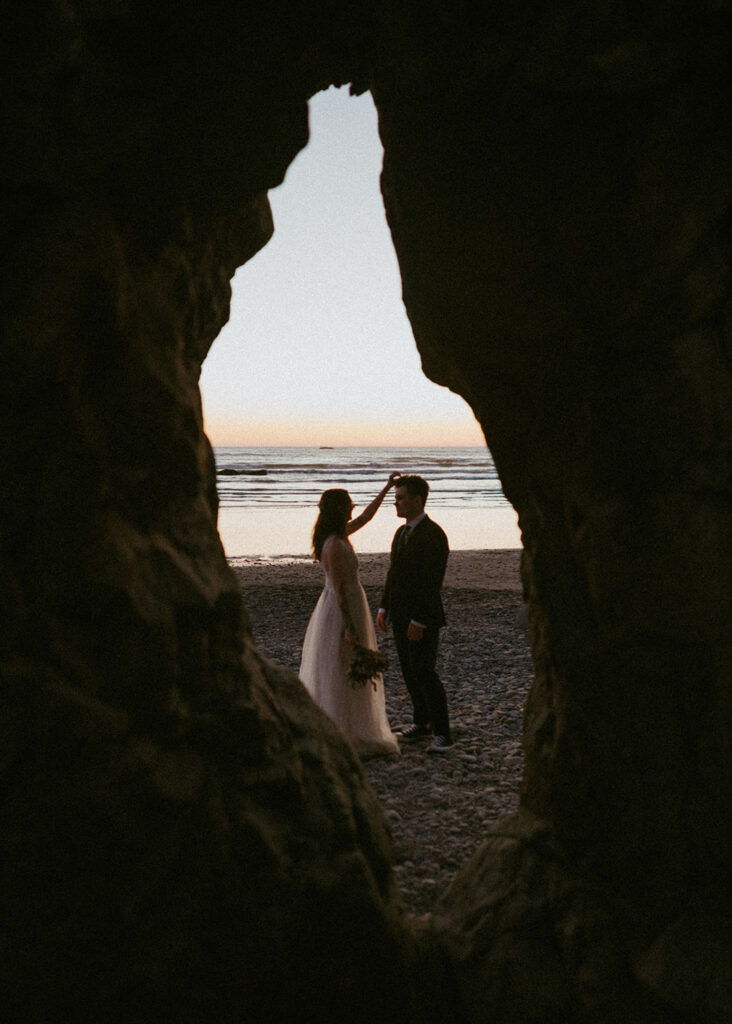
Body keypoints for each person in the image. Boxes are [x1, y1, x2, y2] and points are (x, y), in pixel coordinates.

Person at [299, 474, 400, 758]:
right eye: (348, 505)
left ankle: (354, 725)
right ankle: (344, 729)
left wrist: (387, 487)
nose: (353, 508)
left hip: (353, 604)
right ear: (339, 509)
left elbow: (367, 517)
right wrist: (350, 626)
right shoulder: (332, 544)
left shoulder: (340, 534)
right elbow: (341, 589)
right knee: (343, 664)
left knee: (349, 663)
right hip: (343, 609)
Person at [376, 475, 452, 753]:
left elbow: (432, 581)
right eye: (396, 498)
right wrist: (384, 606)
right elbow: (393, 572)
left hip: (423, 617)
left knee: (424, 672)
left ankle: (443, 733)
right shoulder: (400, 533)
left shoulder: (433, 534)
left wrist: (419, 620)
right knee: (409, 671)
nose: (396, 503)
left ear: (417, 500)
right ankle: (422, 723)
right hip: (399, 613)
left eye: (400, 498)